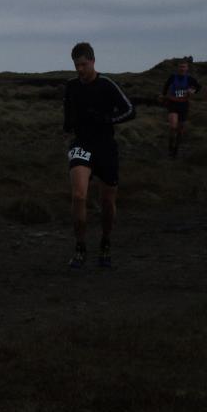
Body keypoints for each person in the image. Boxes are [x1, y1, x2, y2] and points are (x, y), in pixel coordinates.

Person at [63, 42, 135, 268]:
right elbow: (67, 112)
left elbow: (131, 110)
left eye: (83, 64)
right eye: (76, 65)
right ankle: (80, 246)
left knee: (107, 201)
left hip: (105, 145)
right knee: (78, 196)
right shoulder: (71, 86)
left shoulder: (107, 85)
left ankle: (105, 242)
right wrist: (69, 123)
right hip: (82, 144)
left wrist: (107, 119)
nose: (80, 70)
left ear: (93, 61)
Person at [161, 58, 202, 157]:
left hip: (184, 104)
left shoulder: (190, 79)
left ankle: (176, 149)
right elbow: (165, 87)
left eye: (184, 67)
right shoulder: (172, 77)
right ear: (177, 68)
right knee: (173, 126)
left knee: (180, 128)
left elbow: (199, 87)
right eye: (180, 67)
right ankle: (170, 147)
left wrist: (193, 91)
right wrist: (163, 96)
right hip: (172, 103)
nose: (182, 69)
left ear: (187, 68)